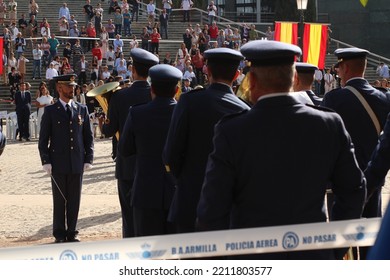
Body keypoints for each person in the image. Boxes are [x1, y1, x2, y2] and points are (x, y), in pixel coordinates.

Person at [196, 40, 366, 260]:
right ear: (295, 79)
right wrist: (334, 247)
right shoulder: (329, 124)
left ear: (252, 80)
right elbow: (354, 189)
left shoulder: (231, 131)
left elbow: (211, 211)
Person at [163, 48, 251, 233]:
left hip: (189, 201)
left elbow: (171, 154)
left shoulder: (188, 101)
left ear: (207, 71)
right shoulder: (245, 110)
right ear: (236, 74)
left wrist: (186, 179)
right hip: (228, 206)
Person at [321, 47, 390, 258]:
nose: (338, 73)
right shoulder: (384, 98)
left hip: (343, 181)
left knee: (343, 243)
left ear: (346, 67)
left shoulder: (334, 99)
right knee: (371, 237)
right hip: (373, 178)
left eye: (339, 68)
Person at [118, 64, 181, 237]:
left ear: (151, 89)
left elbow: (124, 150)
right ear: (176, 90)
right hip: (176, 192)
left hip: (145, 192)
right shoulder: (184, 112)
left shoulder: (137, 113)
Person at [102, 48, 159, 238]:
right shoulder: (156, 95)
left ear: (132, 70)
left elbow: (109, 131)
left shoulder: (119, 96)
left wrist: (104, 120)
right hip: (152, 165)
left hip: (126, 164)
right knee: (150, 215)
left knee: (128, 216)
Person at [38, 74, 94, 243]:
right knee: (60, 199)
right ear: (59, 88)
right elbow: (43, 140)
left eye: (73, 86)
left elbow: (88, 137)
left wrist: (88, 158)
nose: (72, 89)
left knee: (75, 199)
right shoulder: (50, 111)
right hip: (58, 162)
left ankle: (72, 231)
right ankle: (59, 233)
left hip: (76, 161)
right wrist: (46, 160)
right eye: (69, 86)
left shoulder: (81, 109)